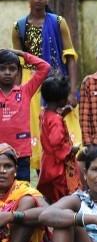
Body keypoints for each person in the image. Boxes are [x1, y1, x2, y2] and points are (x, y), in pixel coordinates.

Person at [12, 0, 82, 173]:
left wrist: (72, 90)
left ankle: (70, 177)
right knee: (37, 131)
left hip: (58, 84)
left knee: (66, 130)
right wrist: (17, 94)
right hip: (33, 88)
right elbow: (19, 64)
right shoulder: (19, 27)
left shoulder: (59, 22)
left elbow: (70, 56)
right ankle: (42, 178)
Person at [0, 144, 48, 242]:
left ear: (15, 170)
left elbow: (49, 212)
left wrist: (11, 216)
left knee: (28, 201)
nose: (2, 171)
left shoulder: (24, 189)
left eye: (7, 166)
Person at [0, 48, 50, 181]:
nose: (7, 72)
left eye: (12, 69)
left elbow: (45, 67)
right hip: (0, 154)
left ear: (18, 72)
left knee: (22, 190)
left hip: (21, 153)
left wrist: (21, 54)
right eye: (2, 68)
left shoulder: (25, 92)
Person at [37, 77, 80, 203]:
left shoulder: (44, 114)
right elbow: (56, 142)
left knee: (50, 193)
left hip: (47, 161)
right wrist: (71, 150)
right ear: (61, 100)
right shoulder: (56, 120)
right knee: (61, 193)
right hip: (57, 165)